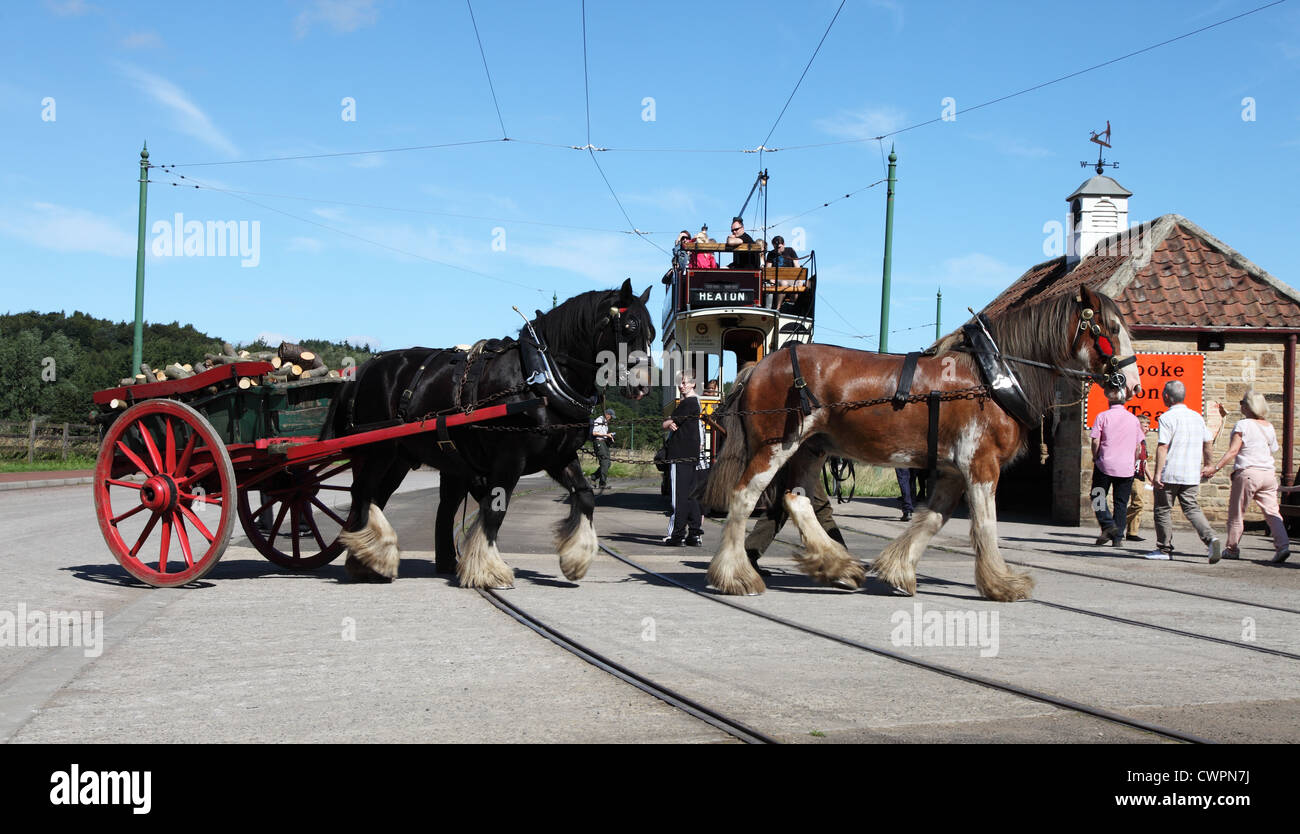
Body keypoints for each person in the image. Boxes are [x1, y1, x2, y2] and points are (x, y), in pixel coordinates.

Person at [1201, 390, 1291, 563]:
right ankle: (1283, 546)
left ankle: (1232, 548)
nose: (1240, 405)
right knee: (1272, 513)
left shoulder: (1243, 425)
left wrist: (1215, 467)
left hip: (1248, 473)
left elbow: (1233, 451)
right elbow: (1273, 450)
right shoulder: (1269, 426)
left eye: (1242, 402)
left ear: (1248, 406)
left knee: (1237, 513)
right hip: (1268, 474)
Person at [1146, 380, 1221, 562]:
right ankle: (1211, 538)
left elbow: (1163, 447)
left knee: (1163, 510)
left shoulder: (1166, 418)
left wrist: (1156, 475)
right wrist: (1209, 464)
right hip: (1191, 473)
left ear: (1166, 396)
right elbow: (1208, 441)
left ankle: (1164, 549)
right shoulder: (1197, 417)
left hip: (1170, 472)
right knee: (1192, 508)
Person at [746, 446, 847, 577]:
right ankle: (841, 562)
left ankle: (747, 555)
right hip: (802, 457)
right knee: (820, 509)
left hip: (795, 454)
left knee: (779, 509)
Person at [1089, 386, 1145, 547]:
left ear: (1109, 400)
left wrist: (1095, 456)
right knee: (1121, 502)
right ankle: (1117, 538)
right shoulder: (1133, 419)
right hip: (1126, 467)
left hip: (1105, 464)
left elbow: (1095, 440)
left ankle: (1107, 524)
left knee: (1097, 496)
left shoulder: (1102, 416)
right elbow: (1138, 447)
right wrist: (1132, 461)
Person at [662, 373, 703, 546]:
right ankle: (694, 533)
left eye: (685, 383)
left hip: (679, 454)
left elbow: (667, 423)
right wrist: (669, 422)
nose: (682, 386)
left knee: (679, 496)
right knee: (691, 495)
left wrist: (666, 422)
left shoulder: (688, 403)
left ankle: (677, 534)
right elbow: (673, 422)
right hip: (691, 453)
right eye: (680, 383)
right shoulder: (695, 403)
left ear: (693, 384)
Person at [1124, 416, 1152, 541]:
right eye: (1145, 426)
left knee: (1139, 504)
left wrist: (1151, 477)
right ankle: (1115, 523)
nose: (1148, 428)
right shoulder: (1133, 438)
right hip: (1132, 473)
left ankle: (1132, 532)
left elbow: (1144, 461)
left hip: (1140, 474)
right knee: (1138, 502)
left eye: (1148, 425)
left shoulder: (1143, 441)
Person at [590, 408, 615, 489]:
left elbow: (603, 433)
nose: (611, 418)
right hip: (599, 442)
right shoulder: (600, 420)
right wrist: (606, 435)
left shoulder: (605, 422)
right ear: (607, 415)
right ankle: (602, 483)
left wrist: (609, 436)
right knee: (604, 462)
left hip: (603, 443)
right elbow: (594, 433)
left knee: (608, 463)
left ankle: (593, 477)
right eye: (611, 417)